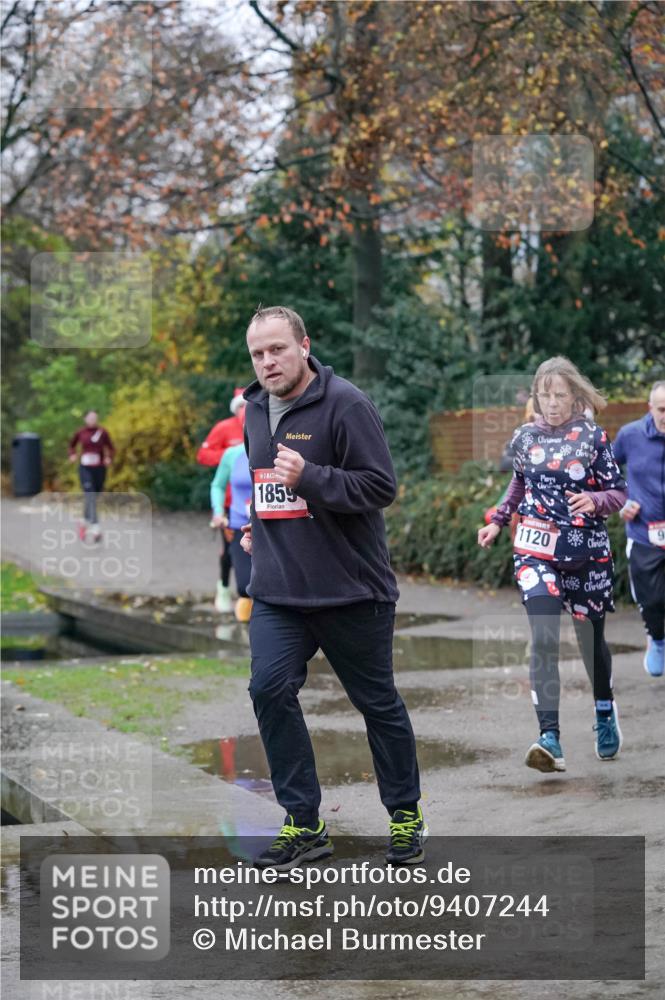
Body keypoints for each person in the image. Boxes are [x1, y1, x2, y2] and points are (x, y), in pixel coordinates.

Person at [239, 305, 424, 869]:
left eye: (277, 349)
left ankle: (405, 815)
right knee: (268, 690)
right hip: (278, 589)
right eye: (258, 353)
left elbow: (379, 485)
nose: (268, 362)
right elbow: (272, 487)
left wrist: (312, 478)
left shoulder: (346, 403)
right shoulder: (253, 410)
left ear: (303, 346)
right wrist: (259, 525)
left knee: (377, 704)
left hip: (351, 590)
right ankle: (304, 822)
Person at [478, 357, 627, 773]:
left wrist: (595, 500)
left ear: (575, 396)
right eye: (545, 395)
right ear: (536, 396)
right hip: (536, 550)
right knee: (543, 636)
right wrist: (497, 520)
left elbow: (617, 491)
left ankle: (603, 711)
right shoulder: (525, 437)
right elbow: (519, 482)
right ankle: (550, 738)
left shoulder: (594, 438)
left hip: (586, 554)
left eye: (560, 395)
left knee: (590, 644)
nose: (553, 403)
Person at [612, 381, 665, 677]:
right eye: (662, 410)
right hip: (645, 532)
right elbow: (607, 474)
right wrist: (622, 503)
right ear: (650, 409)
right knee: (653, 599)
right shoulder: (630, 435)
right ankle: (657, 640)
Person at [197, 390, 246, 612]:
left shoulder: (265, 424)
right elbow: (203, 455)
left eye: (249, 406)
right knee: (229, 550)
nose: (245, 411)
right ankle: (224, 588)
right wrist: (231, 457)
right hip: (229, 502)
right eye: (241, 407)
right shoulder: (224, 428)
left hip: (255, 501)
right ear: (235, 409)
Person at [210, 443, 253, 623]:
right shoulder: (233, 454)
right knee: (245, 586)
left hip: (272, 527)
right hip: (239, 526)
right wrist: (218, 511)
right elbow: (218, 485)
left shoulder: (278, 449)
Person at [68, 411, 115, 541]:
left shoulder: (102, 432)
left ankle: (83, 520)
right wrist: (72, 455)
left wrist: (109, 458)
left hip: (99, 468)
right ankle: (95, 527)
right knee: (90, 495)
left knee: (95, 496)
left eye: (95, 417)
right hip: (85, 468)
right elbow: (71, 445)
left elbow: (111, 448)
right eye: (90, 418)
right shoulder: (80, 432)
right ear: (85, 419)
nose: (93, 420)